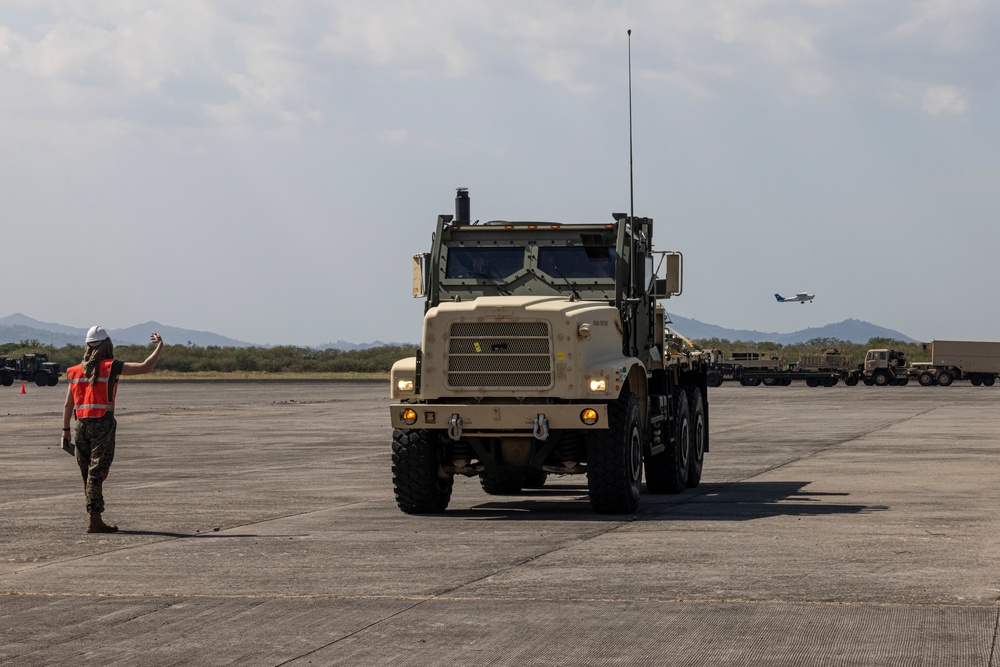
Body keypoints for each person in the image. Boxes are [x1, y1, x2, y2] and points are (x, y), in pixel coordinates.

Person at [61, 326, 164, 533]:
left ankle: (94, 515)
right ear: (106, 345)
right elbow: (145, 367)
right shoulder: (111, 366)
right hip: (102, 424)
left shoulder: (74, 371)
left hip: (80, 425)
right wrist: (160, 346)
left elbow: (68, 405)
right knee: (97, 471)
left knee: (87, 471)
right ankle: (95, 517)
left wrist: (65, 430)